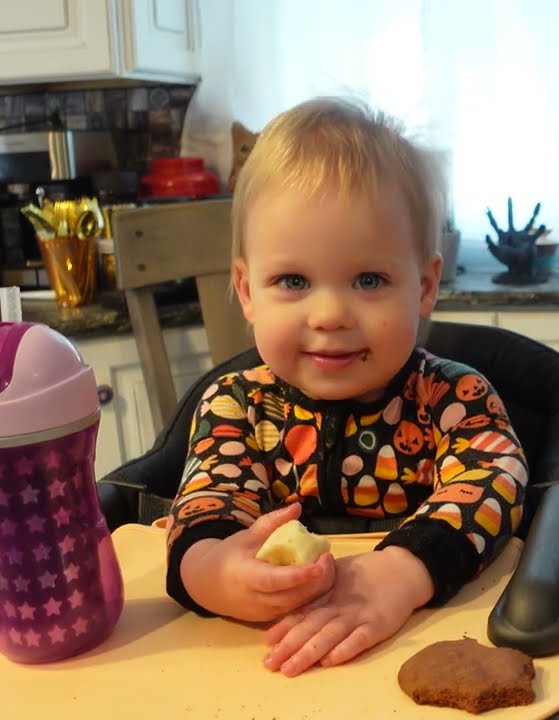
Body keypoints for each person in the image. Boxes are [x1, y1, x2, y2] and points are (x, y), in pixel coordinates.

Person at [163, 97, 527, 678]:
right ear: (248, 290)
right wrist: (213, 572)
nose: (330, 313)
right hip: (269, 664)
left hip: (425, 639)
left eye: (368, 279)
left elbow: (492, 483)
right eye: (293, 280)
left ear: (425, 285)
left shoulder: (452, 399)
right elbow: (212, 496)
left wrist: (402, 573)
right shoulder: (235, 404)